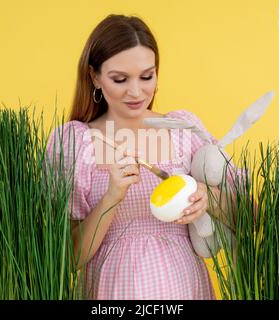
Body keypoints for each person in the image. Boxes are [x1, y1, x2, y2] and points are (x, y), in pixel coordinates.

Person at [46, 14, 241, 300]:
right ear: (94, 77)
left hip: (184, 290)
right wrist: (111, 197)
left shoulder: (182, 130)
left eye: (147, 76)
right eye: (120, 79)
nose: (136, 92)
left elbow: (248, 215)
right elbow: (69, 257)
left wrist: (205, 196)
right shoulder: (74, 143)